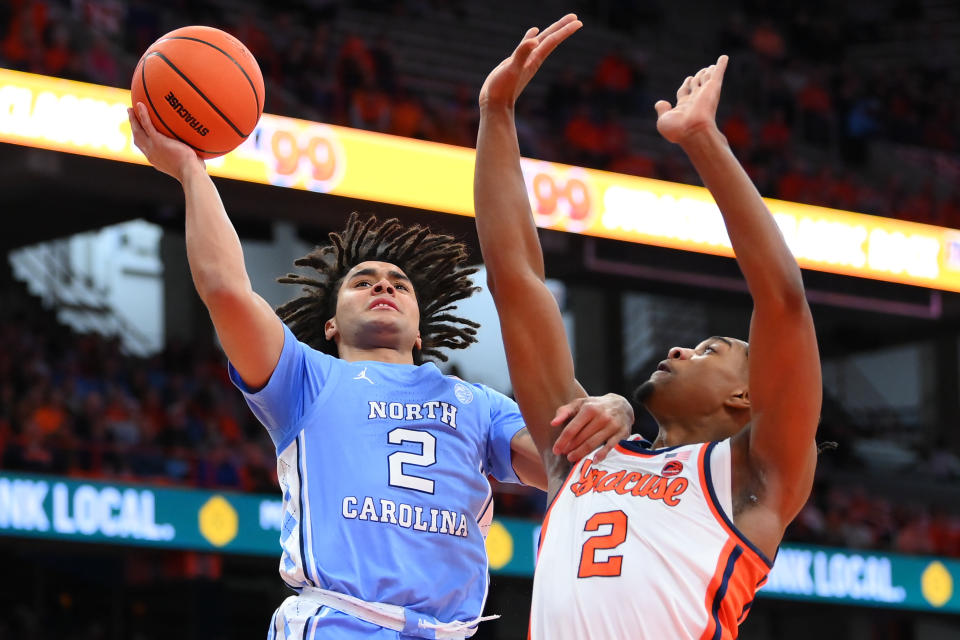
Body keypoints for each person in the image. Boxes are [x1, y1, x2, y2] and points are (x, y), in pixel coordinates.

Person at [126, 103, 633, 639]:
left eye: (399, 283)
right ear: (330, 326)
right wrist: (191, 172)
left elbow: (568, 467)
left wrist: (613, 411)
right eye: (362, 281)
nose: (383, 286)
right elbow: (225, 289)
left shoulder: (476, 403)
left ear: (420, 332)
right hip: (340, 622)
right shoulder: (305, 380)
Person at [474, 15, 822, 639]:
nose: (679, 346)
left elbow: (783, 303)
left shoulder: (755, 479)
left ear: (746, 395)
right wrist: (496, 113)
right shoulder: (581, 450)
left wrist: (701, 140)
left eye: (711, 349)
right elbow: (516, 281)